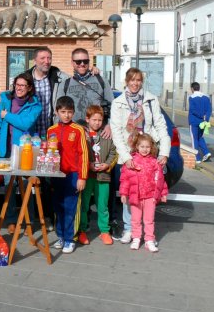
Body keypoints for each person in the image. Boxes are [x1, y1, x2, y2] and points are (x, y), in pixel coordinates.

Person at [110, 67, 170, 244]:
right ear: (126, 81)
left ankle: (148, 233)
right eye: (132, 80)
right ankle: (130, 229)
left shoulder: (151, 100)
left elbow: (160, 125)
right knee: (130, 193)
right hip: (128, 154)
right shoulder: (118, 102)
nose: (135, 83)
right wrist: (126, 157)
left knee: (148, 194)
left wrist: (164, 152)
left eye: (138, 80)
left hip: (147, 153)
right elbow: (116, 131)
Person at [23, 47, 68, 229]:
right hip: (30, 135)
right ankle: (29, 219)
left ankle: (49, 217)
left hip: (49, 135)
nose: (46, 61)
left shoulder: (56, 75)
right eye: (43, 58)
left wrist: (93, 70)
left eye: (49, 58)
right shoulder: (26, 78)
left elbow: (76, 79)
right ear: (35, 60)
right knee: (28, 178)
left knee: (49, 178)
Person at [0, 72, 41, 233]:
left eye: (23, 86)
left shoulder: (35, 104)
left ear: (30, 88)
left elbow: (25, 123)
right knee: (9, 187)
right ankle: (11, 219)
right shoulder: (5, 99)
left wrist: (7, 116)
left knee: (27, 187)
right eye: (17, 85)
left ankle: (29, 221)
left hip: (25, 151)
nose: (19, 89)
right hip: (6, 150)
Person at [47, 96, 89, 254]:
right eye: (63, 112)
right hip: (57, 175)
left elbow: (84, 154)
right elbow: (47, 153)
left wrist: (82, 177)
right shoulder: (51, 130)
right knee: (58, 206)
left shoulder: (78, 130)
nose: (66, 115)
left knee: (71, 207)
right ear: (57, 112)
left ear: (73, 113)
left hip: (73, 175)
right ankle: (61, 236)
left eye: (69, 112)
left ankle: (71, 239)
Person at [119, 133, 168, 252]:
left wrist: (163, 193)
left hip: (150, 197)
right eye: (142, 146)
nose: (145, 149)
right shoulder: (131, 161)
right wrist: (124, 193)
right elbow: (125, 179)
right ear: (137, 147)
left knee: (149, 220)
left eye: (147, 147)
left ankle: (149, 240)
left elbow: (160, 179)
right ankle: (136, 238)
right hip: (136, 196)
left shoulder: (154, 162)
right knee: (135, 219)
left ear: (151, 148)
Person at [77, 105, 117, 246]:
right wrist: (88, 165)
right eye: (94, 120)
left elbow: (114, 152)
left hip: (103, 177)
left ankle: (104, 231)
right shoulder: (83, 135)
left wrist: (107, 164)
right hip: (87, 176)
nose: (97, 123)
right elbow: (79, 153)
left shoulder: (106, 135)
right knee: (84, 205)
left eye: (100, 120)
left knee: (103, 205)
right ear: (87, 119)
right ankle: (82, 230)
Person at [55, 48, 114, 138]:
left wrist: (109, 125)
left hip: (99, 133)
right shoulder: (64, 84)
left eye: (85, 61)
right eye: (78, 62)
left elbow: (112, 105)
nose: (82, 64)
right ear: (72, 63)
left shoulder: (101, 81)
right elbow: (58, 111)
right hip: (74, 133)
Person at [188, 82, 212, 163]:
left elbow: (193, 110)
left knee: (194, 139)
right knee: (200, 137)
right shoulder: (206, 97)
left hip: (194, 121)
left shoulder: (191, 97)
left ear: (192, 88)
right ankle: (206, 152)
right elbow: (209, 109)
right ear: (199, 88)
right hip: (203, 122)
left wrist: (201, 116)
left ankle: (197, 158)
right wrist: (206, 119)